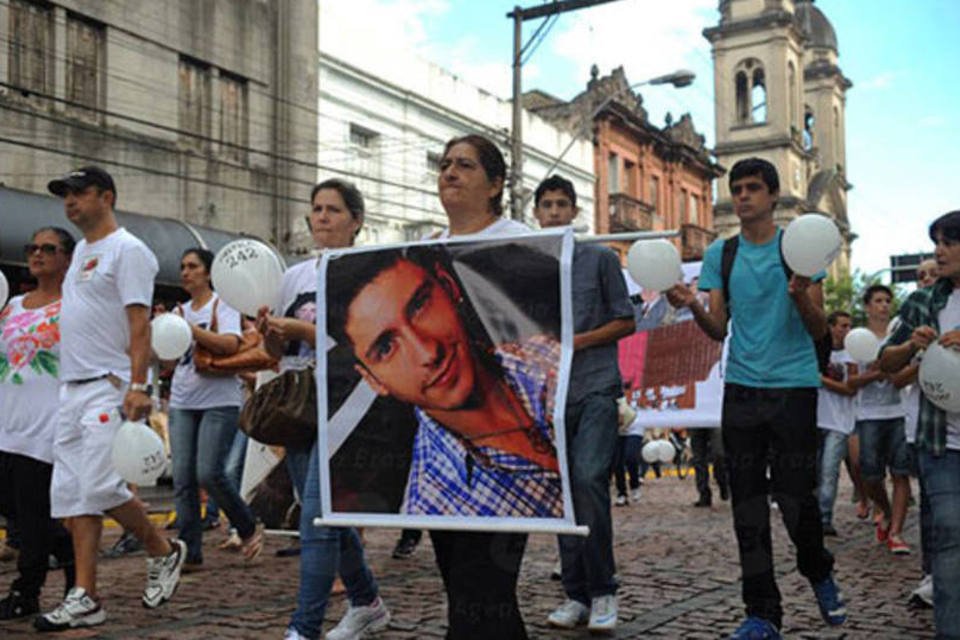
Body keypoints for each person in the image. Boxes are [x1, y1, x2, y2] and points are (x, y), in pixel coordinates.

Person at [666, 157, 844, 640]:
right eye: (736, 189)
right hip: (742, 388)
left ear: (771, 195)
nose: (741, 196)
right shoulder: (721, 254)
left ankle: (818, 568)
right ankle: (762, 613)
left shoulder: (798, 247)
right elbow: (718, 328)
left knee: (794, 498)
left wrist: (801, 295)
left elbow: (818, 329)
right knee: (746, 506)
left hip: (793, 387)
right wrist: (692, 306)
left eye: (751, 189)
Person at [40, 166, 186, 631]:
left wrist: (139, 385)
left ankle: (164, 550)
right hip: (72, 387)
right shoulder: (82, 249)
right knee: (71, 497)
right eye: (65, 195)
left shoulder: (129, 251)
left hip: (109, 383)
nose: (70, 202)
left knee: (102, 487)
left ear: (107, 196)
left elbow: (139, 323)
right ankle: (86, 595)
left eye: (79, 193)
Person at [327, 245, 563, 518]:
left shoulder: (544, 355)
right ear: (373, 380)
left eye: (419, 306)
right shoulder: (433, 503)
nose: (427, 352)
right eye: (386, 347)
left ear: (449, 287)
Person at [259, 178, 390, 640]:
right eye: (316, 209)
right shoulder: (294, 276)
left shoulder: (368, 271)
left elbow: (360, 343)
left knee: (315, 519)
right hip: (299, 405)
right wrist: (273, 332)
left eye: (333, 210)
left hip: (345, 400)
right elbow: (275, 351)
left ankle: (303, 628)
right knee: (324, 515)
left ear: (356, 221)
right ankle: (367, 601)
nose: (322, 218)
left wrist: (304, 329)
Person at [529, 174, 634, 632]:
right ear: (537, 214)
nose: (553, 212)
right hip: (548, 393)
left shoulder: (600, 259)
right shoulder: (530, 267)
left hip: (595, 387)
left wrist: (574, 342)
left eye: (560, 204)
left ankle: (604, 590)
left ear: (574, 211)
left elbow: (625, 320)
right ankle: (575, 594)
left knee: (590, 480)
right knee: (562, 491)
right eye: (546, 205)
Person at [881, 210, 960, 638]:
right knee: (949, 537)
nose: (939, 250)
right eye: (936, 242)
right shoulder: (924, 300)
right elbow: (885, 362)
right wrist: (910, 344)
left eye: (949, 242)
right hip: (941, 443)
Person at [168, 248, 264, 570]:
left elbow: (229, 345)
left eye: (193, 266)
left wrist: (189, 329)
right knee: (182, 478)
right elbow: (170, 359)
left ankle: (247, 525)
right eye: (182, 266)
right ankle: (190, 551)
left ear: (208, 273)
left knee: (208, 472)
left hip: (219, 400)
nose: (186, 272)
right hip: (182, 399)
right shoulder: (177, 310)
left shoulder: (222, 305)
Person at [0, 228, 77, 620]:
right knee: (14, 507)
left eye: (49, 249)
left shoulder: (75, 307)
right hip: (6, 420)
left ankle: (26, 592)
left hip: (47, 423)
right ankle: (70, 555)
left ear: (67, 259)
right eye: (33, 247)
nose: (38, 254)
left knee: (31, 514)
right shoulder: (11, 305)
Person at [853, 284, 912, 554]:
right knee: (870, 473)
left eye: (888, 300)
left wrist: (891, 372)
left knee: (901, 473)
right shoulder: (858, 337)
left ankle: (897, 532)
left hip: (898, 412)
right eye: (878, 300)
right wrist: (874, 374)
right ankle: (885, 510)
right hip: (868, 414)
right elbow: (851, 380)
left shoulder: (898, 336)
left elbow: (904, 374)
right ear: (867, 306)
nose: (884, 305)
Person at [815, 310, 863, 536]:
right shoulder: (816, 350)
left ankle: (824, 517)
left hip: (839, 422)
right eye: (842, 326)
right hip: (816, 419)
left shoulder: (851, 355)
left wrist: (821, 380)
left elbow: (850, 389)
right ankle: (812, 516)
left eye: (849, 326)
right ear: (831, 327)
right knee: (813, 471)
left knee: (829, 470)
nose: (846, 330)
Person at [689, 427, 729, 508]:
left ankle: (723, 482)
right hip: (695, 421)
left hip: (714, 420)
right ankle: (704, 494)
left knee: (719, 455)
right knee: (698, 459)